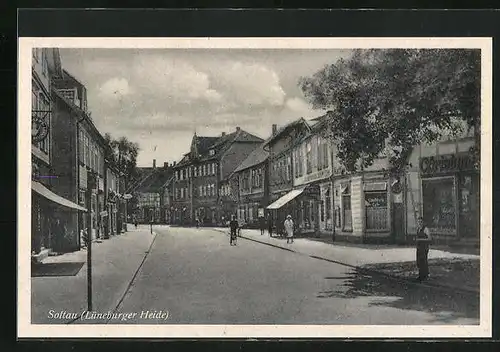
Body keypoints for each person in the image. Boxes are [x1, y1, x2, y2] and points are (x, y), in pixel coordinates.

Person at [416, 216, 432, 281]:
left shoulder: (426, 229)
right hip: (419, 247)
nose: (420, 223)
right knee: (419, 261)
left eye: (421, 222)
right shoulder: (418, 229)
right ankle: (421, 275)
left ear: (423, 222)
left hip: (424, 247)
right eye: (419, 222)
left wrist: (421, 239)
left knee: (424, 261)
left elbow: (429, 238)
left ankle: (425, 275)